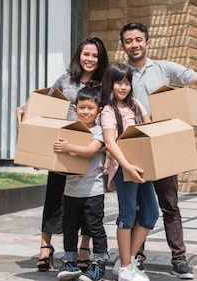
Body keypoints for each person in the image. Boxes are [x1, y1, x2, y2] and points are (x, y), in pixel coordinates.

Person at [118, 22, 197, 280]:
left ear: (147, 42)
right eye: (129, 40)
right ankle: (136, 258)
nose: (134, 44)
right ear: (124, 45)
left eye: (138, 39)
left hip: (163, 147)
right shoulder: (120, 74)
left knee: (170, 205)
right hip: (135, 147)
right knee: (138, 209)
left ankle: (179, 259)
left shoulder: (163, 69)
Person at [16, 37, 109, 272]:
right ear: (79, 55)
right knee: (54, 197)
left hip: (88, 148)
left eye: (95, 55)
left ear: (101, 59)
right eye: (86, 54)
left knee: (88, 201)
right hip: (61, 144)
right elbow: (44, 104)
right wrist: (22, 109)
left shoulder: (104, 85)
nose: (90, 59)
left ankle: (84, 249)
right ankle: (45, 247)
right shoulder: (66, 80)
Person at [100, 62, 157, 281]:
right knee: (127, 216)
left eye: (127, 83)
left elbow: (148, 127)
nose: (123, 87)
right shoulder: (108, 111)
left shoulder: (134, 104)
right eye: (119, 83)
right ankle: (125, 268)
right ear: (110, 84)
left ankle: (127, 260)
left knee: (151, 213)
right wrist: (127, 167)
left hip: (142, 168)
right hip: (123, 170)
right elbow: (110, 143)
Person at [53, 85, 109, 281]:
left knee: (95, 228)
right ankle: (70, 262)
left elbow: (91, 150)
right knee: (69, 228)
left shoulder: (99, 131)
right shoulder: (70, 130)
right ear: (75, 109)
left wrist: (68, 147)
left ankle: (99, 263)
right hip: (71, 191)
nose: (86, 112)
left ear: (99, 110)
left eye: (90, 108)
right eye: (82, 107)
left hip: (92, 191)